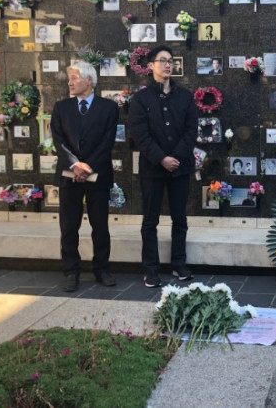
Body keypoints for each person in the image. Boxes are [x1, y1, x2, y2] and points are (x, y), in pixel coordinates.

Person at [128, 46, 198, 288]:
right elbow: (140, 134)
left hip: (180, 167)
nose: (168, 65)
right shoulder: (141, 99)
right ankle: (150, 269)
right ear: (151, 66)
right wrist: (161, 158)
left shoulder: (185, 96)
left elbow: (191, 131)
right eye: (163, 60)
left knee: (180, 219)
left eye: (171, 61)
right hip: (152, 169)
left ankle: (179, 264)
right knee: (150, 221)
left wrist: (175, 157)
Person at [51, 60, 119, 293]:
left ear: (89, 80)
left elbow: (107, 142)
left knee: (100, 226)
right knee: (69, 226)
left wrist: (87, 167)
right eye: (69, 78)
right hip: (69, 174)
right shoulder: (61, 107)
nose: (69, 82)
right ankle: (71, 271)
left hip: (98, 175)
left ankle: (102, 269)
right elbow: (59, 141)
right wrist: (75, 164)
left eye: (74, 78)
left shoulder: (109, 108)